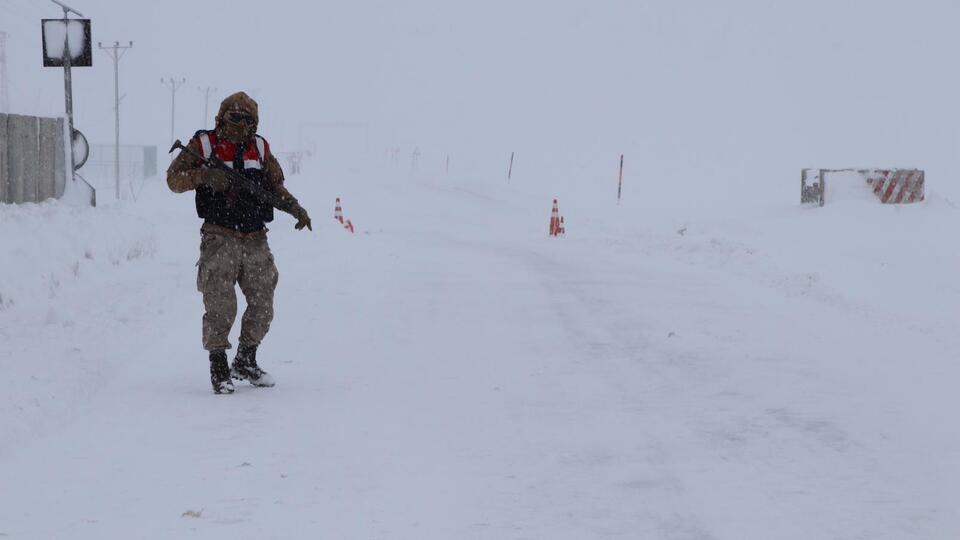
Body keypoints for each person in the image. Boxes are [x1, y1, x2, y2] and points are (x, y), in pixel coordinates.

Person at [166, 91, 312, 394]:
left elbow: (275, 187)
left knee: (263, 302)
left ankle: (245, 360)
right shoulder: (204, 145)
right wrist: (204, 176)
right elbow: (173, 179)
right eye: (235, 118)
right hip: (219, 237)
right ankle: (219, 367)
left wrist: (295, 207)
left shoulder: (259, 148)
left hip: (255, 238)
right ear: (222, 117)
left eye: (247, 120)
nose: (241, 125)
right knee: (220, 304)